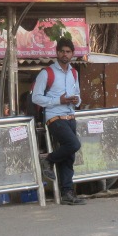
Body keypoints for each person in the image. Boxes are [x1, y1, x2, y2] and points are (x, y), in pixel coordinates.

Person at [32, 37, 85, 205]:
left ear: (72, 54)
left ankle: (67, 193)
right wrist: (58, 101)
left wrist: (76, 100)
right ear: (57, 53)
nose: (65, 54)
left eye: (68, 52)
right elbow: (36, 97)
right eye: (62, 51)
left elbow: (78, 95)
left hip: (70, 116)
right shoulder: (46, 73)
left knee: (69, 156)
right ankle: (47, 159)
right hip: (54, 117)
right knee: (74, 144)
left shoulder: (74, 73)